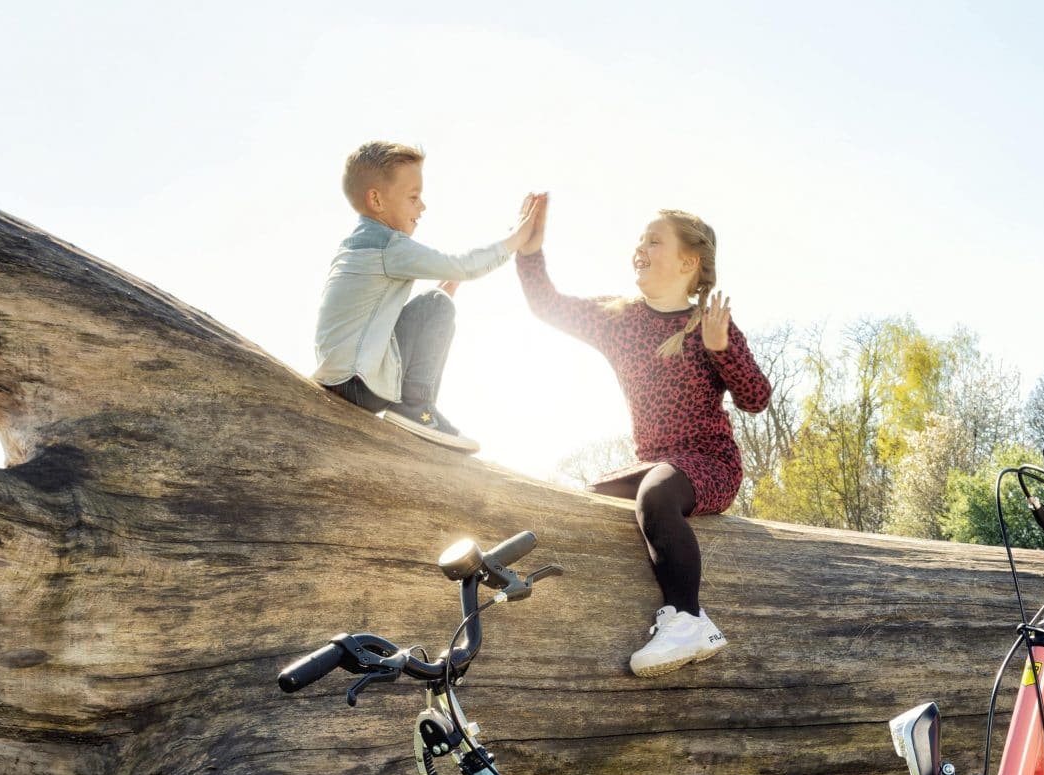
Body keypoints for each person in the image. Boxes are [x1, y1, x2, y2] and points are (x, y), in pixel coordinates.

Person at [515, 195, 772, 677]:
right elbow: (546, 304)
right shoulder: (619, 317)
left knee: (656, 494)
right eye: (640, 240)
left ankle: (689, 620)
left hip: (708, 465)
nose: (640, 248)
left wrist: (721, 351)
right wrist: (530, 252)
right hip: (651, 464)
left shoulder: (708, 326)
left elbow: (756, 398)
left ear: (687, 261)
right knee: (588, 501)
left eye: (654, 241)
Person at [313, 141, 539, 452]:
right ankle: (416, 408)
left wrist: (445, 290)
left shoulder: (356, 246)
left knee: (436, 299)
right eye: (413, 197)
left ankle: (412, 407)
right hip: (358, 383)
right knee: (436, 304)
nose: (422, 207)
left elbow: (371, 319)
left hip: (339, 378)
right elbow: (463, 265)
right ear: (376, 199)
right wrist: (516, 238)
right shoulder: (388, 245)